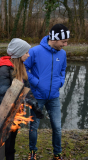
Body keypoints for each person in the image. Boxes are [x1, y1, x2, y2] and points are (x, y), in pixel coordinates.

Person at [24, 24, 70, 160]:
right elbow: (24, 69)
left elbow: (63, 70)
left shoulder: (62, 54)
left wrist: (60, 82)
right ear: (55, 39)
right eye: (64, 41)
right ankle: (32, 152)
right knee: (34, 126)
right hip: (37, 96)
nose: (65, 44)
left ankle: (57, 153)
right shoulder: (34, 51)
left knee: (57, 127)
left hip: (54, 97)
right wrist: (37, 82)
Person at [0, 38, 41, 160]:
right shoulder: (3, 70)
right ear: (18, 53)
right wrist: (24, 101)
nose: (28, 55)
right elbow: (3, 94)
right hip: (3, 112)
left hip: (16, 111)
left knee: (12, 141)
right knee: (4, 143)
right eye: (26, 52)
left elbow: (26, 89)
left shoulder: (20, 67)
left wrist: (33, 103)